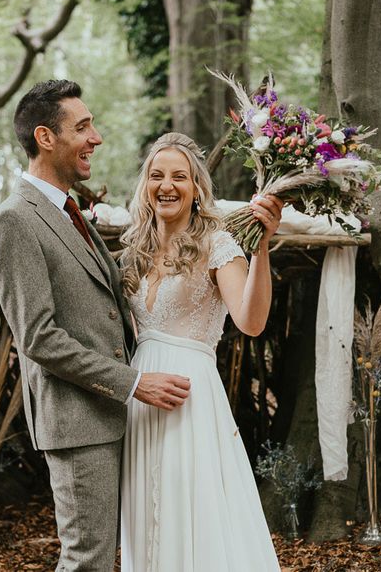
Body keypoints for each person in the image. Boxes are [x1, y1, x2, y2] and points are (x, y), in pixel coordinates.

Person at [0, 80, 191, 572]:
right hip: (79, 423)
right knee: (88, 561)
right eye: (82, 127)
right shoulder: (14, 221)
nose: (95, 137)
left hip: (120, 418)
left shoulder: (70, 210)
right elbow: (38, 337)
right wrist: (134, 382)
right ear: (45, 137)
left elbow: (109, 294)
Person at [119, 132, 282, 572]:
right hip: (141, 397)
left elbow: (251, 321)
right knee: (146, 517)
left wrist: (262, 245)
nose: (166, 185)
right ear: (145, 187)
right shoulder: (133, 251)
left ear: (196, 189)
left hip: (190, 397)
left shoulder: (217, 244)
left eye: (179, 176)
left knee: (192, 508)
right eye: (156, 176)